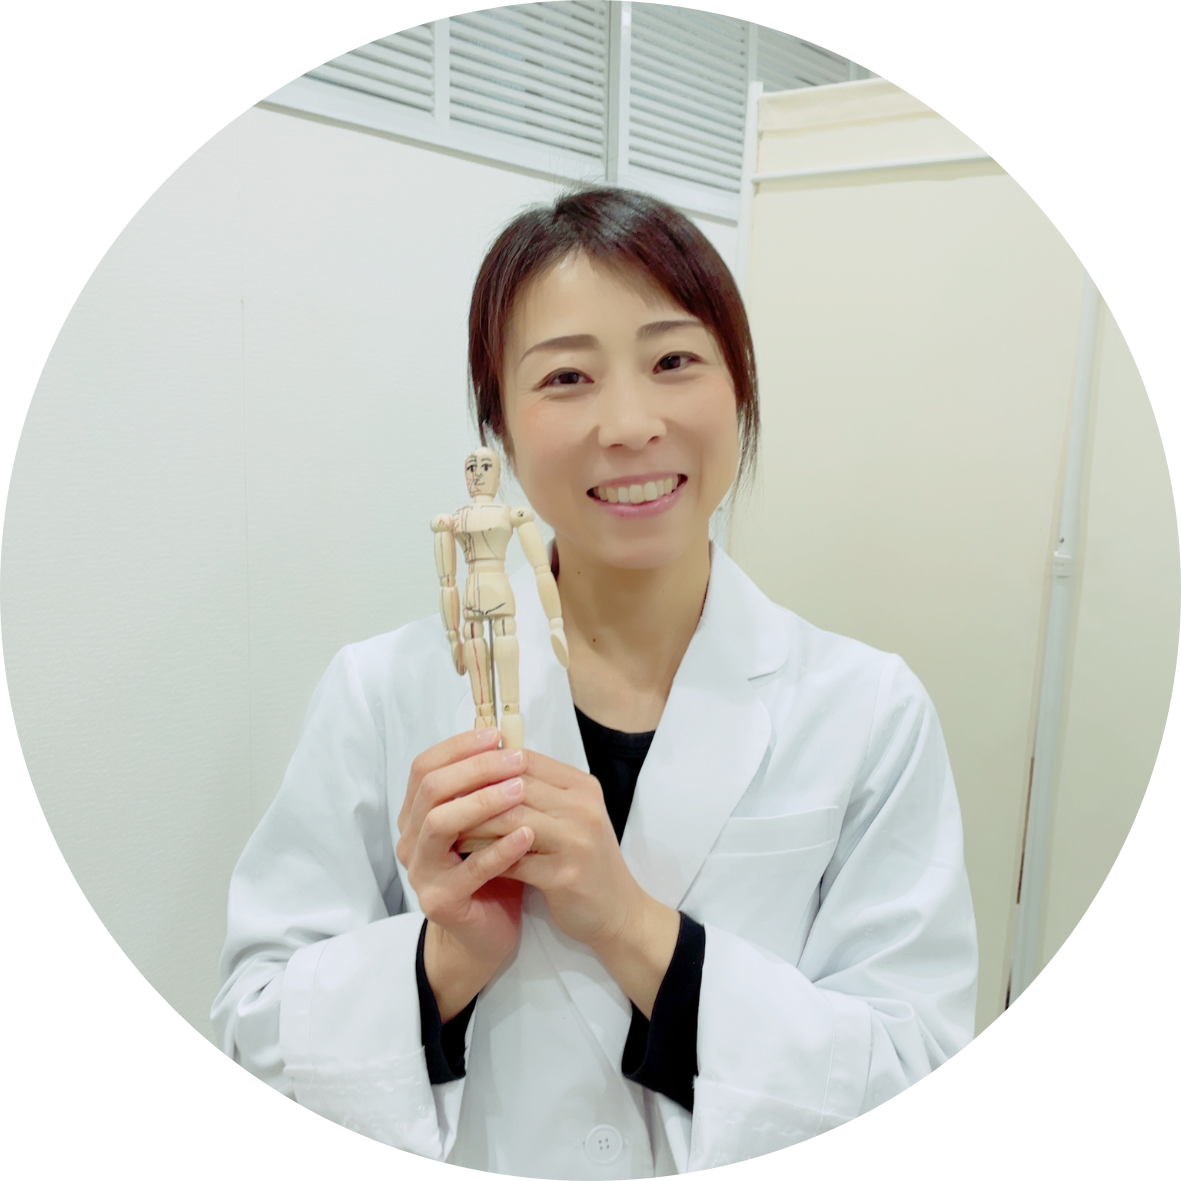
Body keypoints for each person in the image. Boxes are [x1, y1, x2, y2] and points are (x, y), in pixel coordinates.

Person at [213, 187, 978, 1176]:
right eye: (566, 376)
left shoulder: (868, 711)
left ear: (739, 385)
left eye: (673, 361)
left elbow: (915, 1076)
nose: (628, 423)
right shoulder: (380, 691)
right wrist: (444, 959)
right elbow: (252, 1039)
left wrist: (632, 927)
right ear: (497, 425)